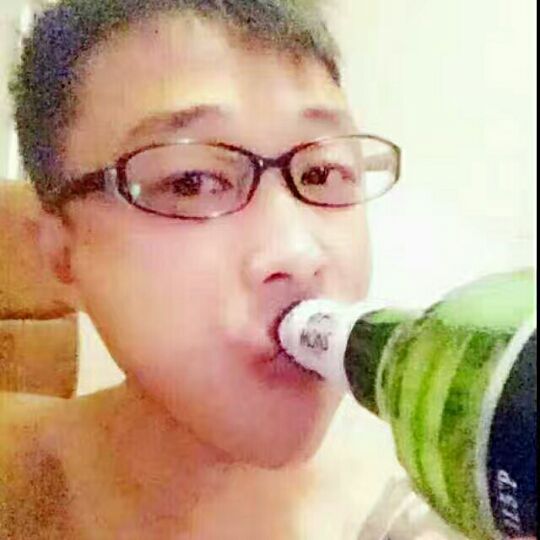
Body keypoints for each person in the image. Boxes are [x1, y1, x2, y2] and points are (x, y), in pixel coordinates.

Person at [0, 0, 405, 538]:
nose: (299, 253)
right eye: (190, 182)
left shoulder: (435, 505)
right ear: (59, 255)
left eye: (322, 172)